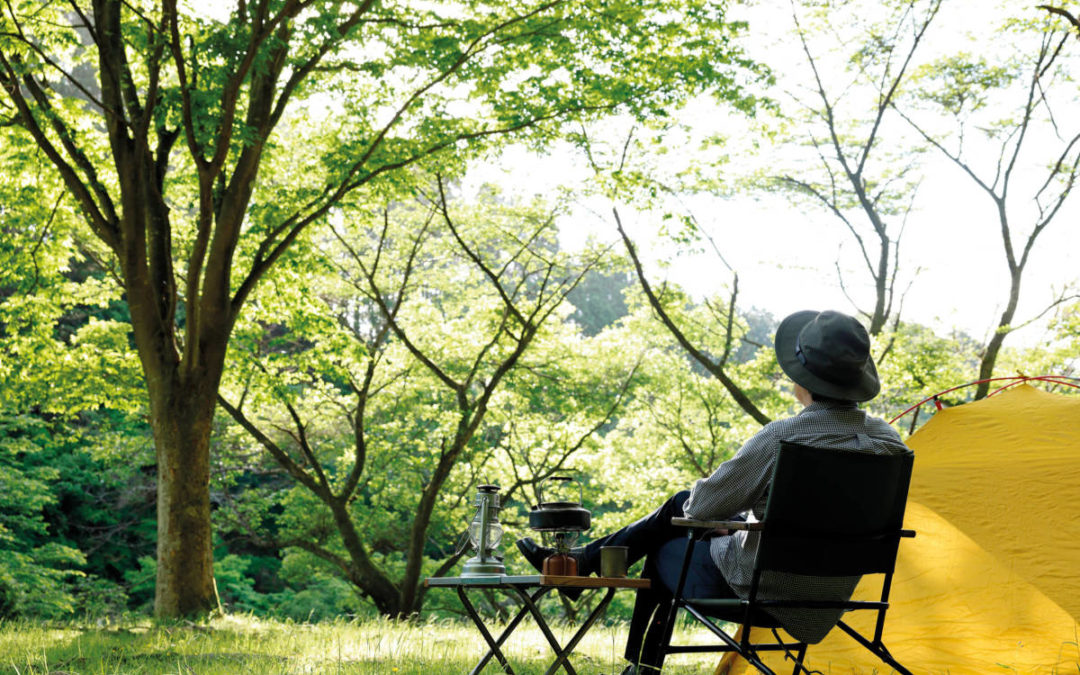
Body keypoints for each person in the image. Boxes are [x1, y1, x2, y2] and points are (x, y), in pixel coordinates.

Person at [516, 310, 912, 674]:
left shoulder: (784, 437)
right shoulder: (890, 443)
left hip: (766, 590)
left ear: (802, 379)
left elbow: (699, 506)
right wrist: (738, 525)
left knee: (670, 538)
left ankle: (638, 664)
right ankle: (588, 568)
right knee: (688, 517)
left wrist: (728, 526)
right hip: (829, 601)